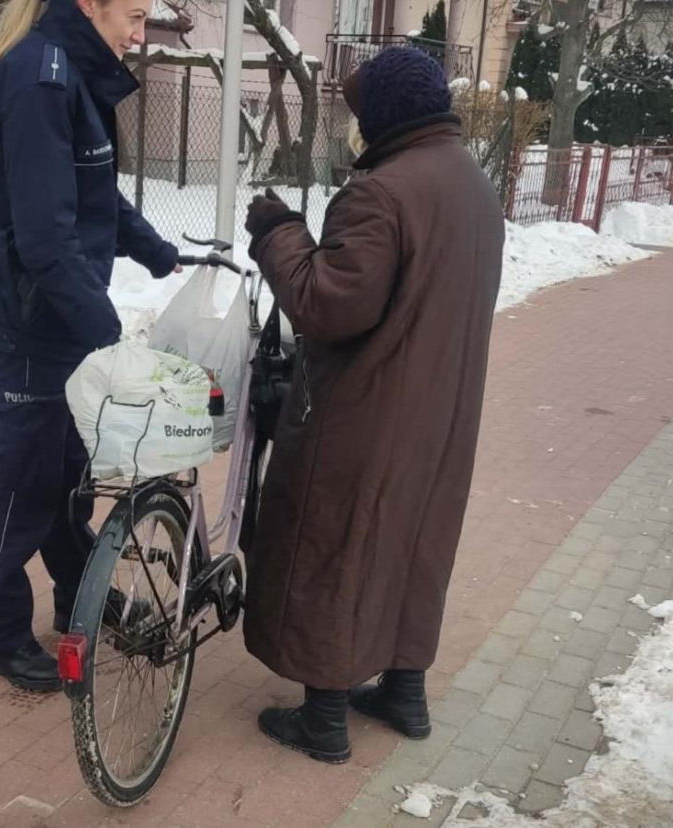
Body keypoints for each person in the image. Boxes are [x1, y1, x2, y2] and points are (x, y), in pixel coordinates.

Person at [242, 46, 505, 762]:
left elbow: (329, 304)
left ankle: (324, 718)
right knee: (415, 545)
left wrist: (278, 233)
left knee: (339, 545)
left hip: (368, 413)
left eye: (357, 114)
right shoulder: (474, 186)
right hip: (443, 414)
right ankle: (404, 692)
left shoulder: (381, 194)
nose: (352, 128)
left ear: (384, 116)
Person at [0, 0, 180, 691]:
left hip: (56, 315)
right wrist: (106, 333)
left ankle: (76, 600)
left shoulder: (69, 73)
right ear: (90, 5)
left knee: (66, 479)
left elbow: (92, 194)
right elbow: (46, 238)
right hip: (27, 320)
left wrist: (157, 251)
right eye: (133, 17)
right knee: (19, 483)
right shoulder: (39, 79)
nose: (139, 35)